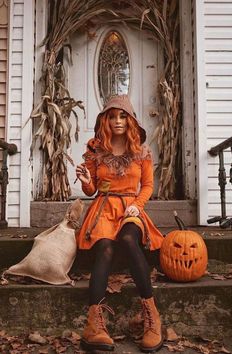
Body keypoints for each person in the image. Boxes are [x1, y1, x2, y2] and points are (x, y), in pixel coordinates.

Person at [75, 94, 164, 353]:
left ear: (131, 119)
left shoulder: (141, 151)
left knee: (127, 238)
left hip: (130, 207)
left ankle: (152, 316)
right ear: (105, 119)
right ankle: (94, 325)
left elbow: (147, 185)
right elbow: (92, 189)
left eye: (123, 116)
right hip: (103, 207)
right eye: (112, 116)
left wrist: (138, 204)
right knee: (104, 247)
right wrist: (84, 180)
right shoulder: (96, 148)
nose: (117, 121)